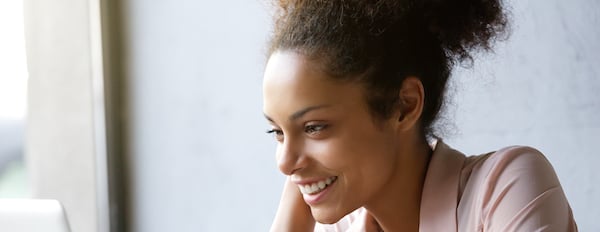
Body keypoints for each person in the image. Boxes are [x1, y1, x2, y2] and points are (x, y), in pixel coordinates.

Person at [262, 0, 577, 231]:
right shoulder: (338, 226)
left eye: (314, 127)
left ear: (404, 106)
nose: (283, 163)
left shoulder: (505, 188)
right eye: (277, 131)